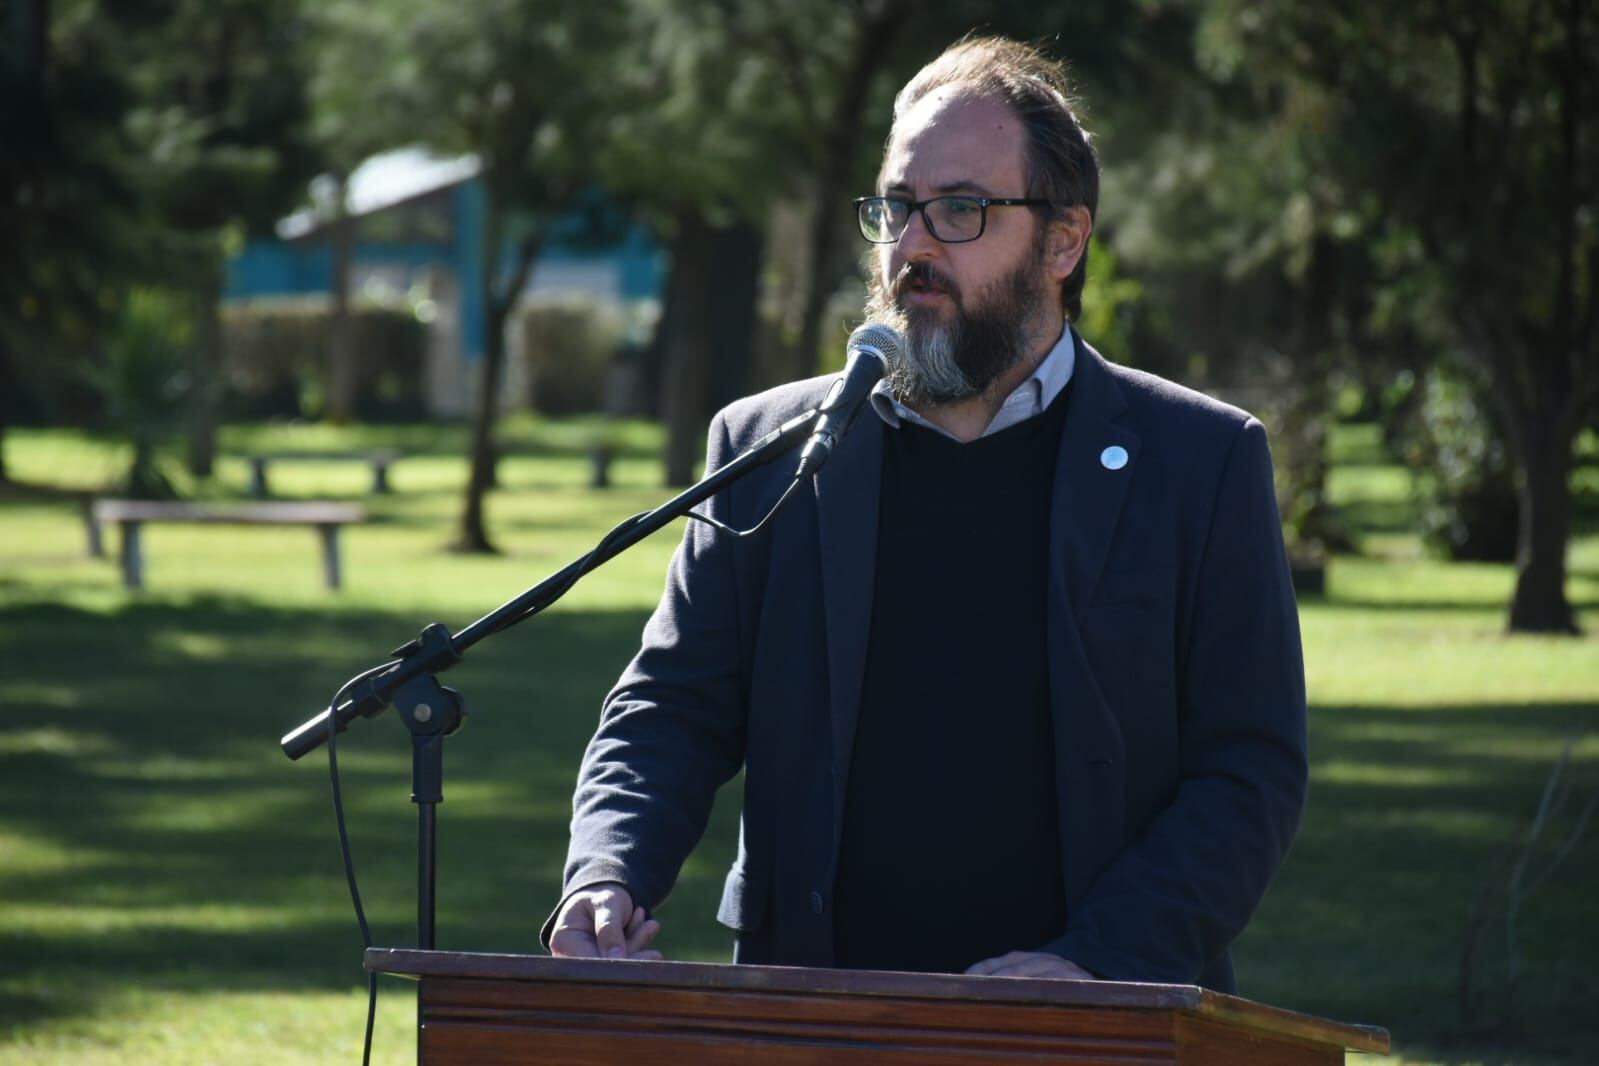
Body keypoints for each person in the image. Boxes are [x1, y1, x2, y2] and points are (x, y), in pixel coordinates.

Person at [543, 36, 1307, 992]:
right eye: (896, 207)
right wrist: (607, 873)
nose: (910, 245)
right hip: (816, 1010)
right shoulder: (770, 445)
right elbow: (671, 705)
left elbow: (1248, 767)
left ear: (1062, 242)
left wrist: (1099, 960)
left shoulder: (1197, 461)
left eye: (958, 209)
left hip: (1087, 1025)